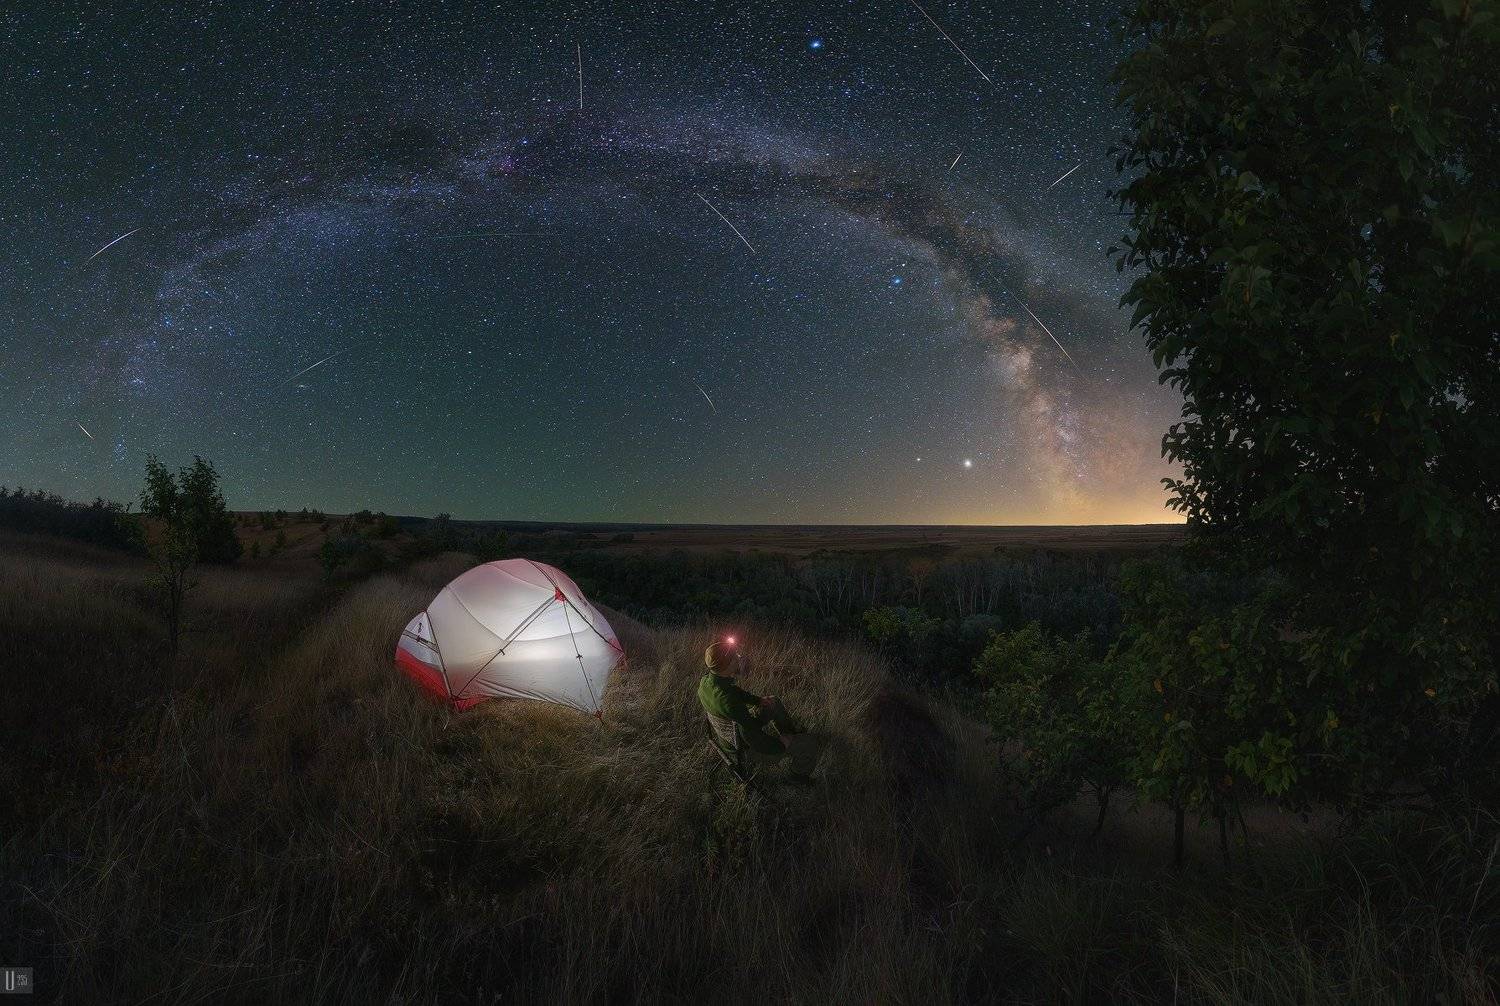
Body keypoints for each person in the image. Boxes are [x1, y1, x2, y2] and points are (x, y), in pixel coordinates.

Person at [697, 636, 813, 780]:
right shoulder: (729, 701)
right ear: (727, 665)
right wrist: (780, 745)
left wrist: (758, 701)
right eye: (735, 657)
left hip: (735, 732)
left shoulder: (707, 681)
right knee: (809, 744)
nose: (739, 658)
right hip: (743, 749)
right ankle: (798, 776)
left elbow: (735, 692)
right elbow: (753, 739)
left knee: (773, 702)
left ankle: (790, 734)